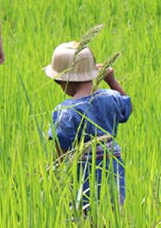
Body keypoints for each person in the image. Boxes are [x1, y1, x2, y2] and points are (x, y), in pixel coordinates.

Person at [45, 42, 131, 211]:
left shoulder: (66, 111)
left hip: (84, 168)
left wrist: (53, 166)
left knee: (85, 212)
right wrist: (112, 81)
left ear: (64, 81)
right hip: (114, 163)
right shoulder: (111, 97)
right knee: (114, 209)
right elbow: (127, 108)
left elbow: (61, 146)